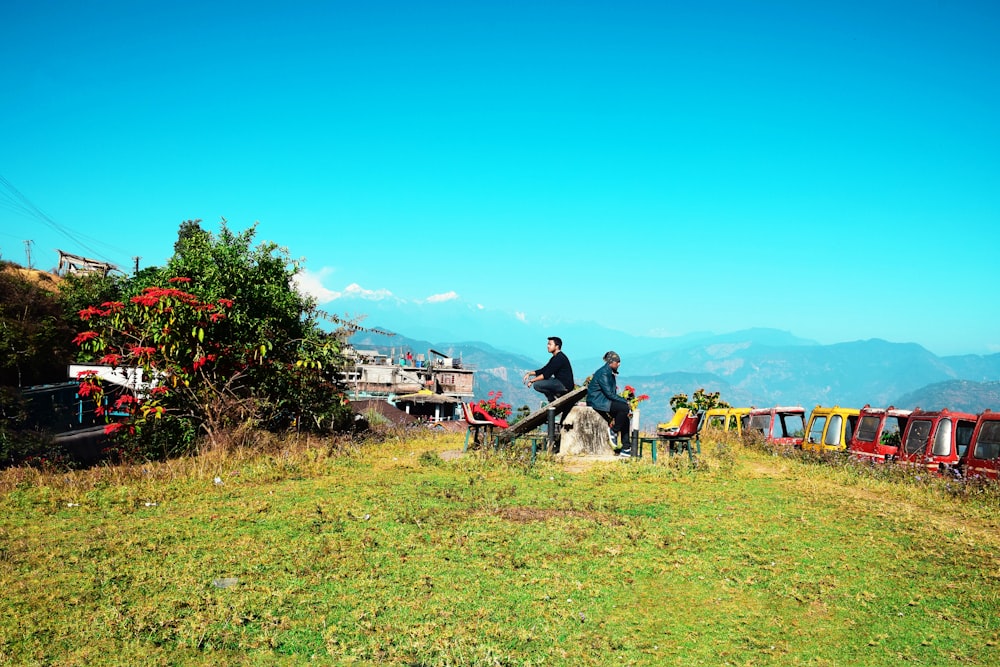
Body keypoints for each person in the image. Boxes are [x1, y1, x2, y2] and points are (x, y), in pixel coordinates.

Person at [586, 350, 632, 457]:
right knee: (624, 408)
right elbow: (610, 394)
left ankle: (626, 448)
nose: (619, 364)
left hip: (604, 400)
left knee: (625, 415)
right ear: (610, 362)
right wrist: (625, 401)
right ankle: (614, 431)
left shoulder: (609, 372)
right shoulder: (604, 373)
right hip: (598, 401)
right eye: (617, 361)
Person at [523, 336, 574, 404]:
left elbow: (546, 375)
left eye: (550, 344)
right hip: (559, 382)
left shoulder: (559, 358)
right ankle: (554, 399)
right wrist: (529, 374)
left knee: (537, 385)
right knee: (539, 379)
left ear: (557, 346)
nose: (548, 346)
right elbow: (544, 369)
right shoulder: (556, 357)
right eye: (548, 344)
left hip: (564, 386)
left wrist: (532, 381)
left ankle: (553, 400)